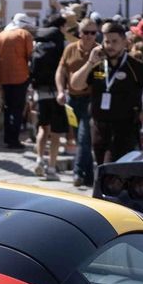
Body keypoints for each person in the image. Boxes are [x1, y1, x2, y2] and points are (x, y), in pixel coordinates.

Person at [69, 20, 143, 166]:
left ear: (124, 42)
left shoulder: (136, 66)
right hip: (99, 126)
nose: (110, 46)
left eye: (115, 42)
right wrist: (89, 62)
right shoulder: (97, 65)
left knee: (111, 168)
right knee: (102, 166)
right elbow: (75, 85)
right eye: (107, 42)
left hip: (125, 127)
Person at [59, 20, 100, 187]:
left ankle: (78, 172)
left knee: (84, 139)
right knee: (78, 138)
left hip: (90, 100)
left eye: (93, 32)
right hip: (72, 99)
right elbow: (61, 71)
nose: (89, 36)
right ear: (79, 32)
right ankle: (88, 175)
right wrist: (61, 90)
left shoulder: (99, 51)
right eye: (86, 32)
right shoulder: (70, 49)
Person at [29, 14, 69, 180]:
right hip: (57, 91)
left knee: (42, 127)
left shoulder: (38, 42)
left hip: (41, 90)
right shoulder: (62, 43)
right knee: (56, 132)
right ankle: (51, 169)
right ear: (60, 27)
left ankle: (39, 160)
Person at [0, 14, 34, 150]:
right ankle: (14, 140)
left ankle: (7, 138)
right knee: (17, 109)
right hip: (21, 77)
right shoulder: (25, 34)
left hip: (4, 77)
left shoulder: (2, 35)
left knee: (8, 108)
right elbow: (31, 56)